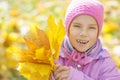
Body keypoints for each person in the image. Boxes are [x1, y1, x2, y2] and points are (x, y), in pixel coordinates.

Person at [50, 0, 120, 80]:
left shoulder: (104, 63)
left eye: (91, 28)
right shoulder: (53, 53)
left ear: (98, 32)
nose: (84, 33)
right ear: (67, 28)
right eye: (77, 26)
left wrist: (75, 77)